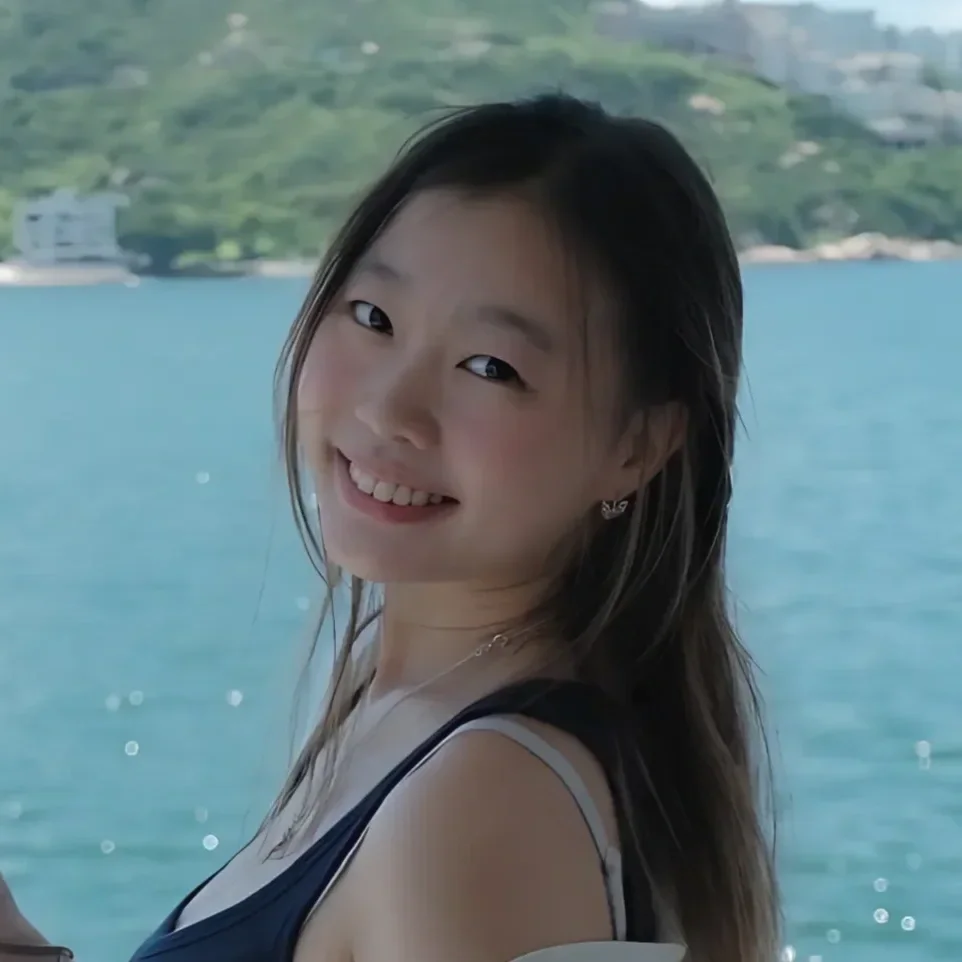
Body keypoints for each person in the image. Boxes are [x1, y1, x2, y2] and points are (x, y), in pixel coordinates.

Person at [0, 92, 779, 962]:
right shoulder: (420, 710)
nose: (389, 409)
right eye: (373, 318)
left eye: (491, 367)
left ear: (637, 447)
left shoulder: (484, 797)